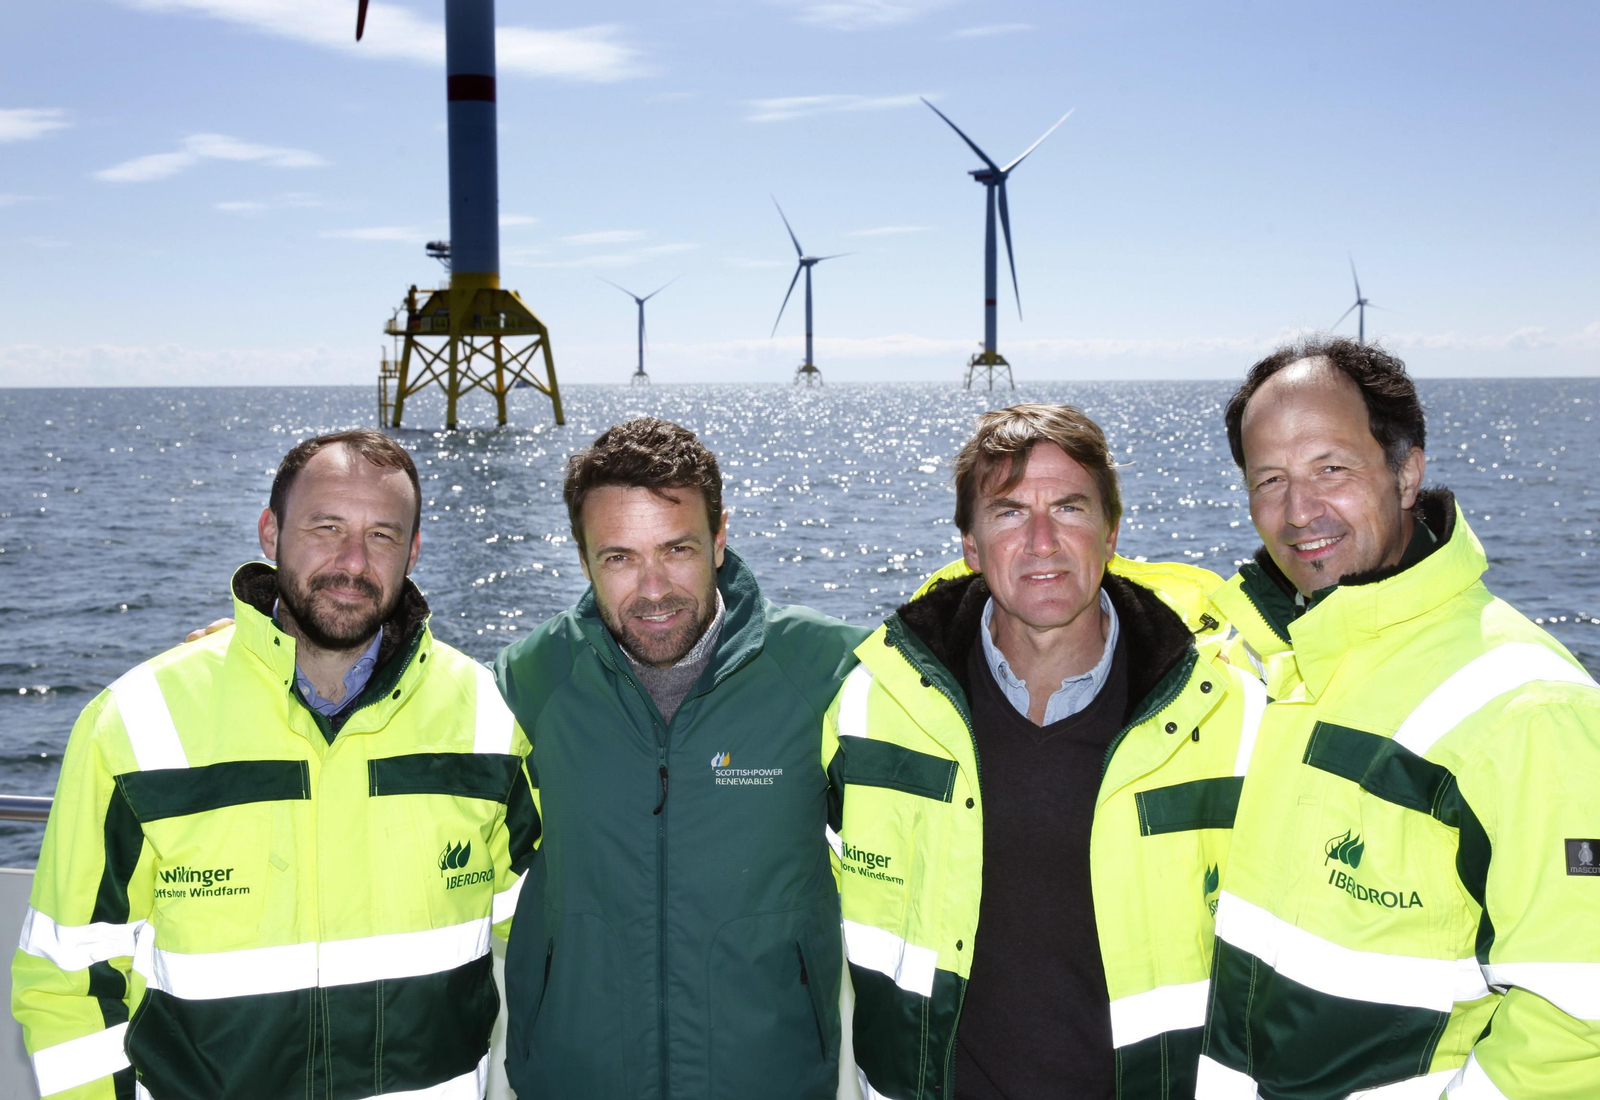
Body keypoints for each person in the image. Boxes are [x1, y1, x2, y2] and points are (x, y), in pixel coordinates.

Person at [12, 430, 534, 1100]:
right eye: (326, 527)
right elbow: (70, 978)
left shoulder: (490, 717)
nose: (353, 560)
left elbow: (550, 947)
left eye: (382, 534)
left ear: (413, 550)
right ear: (270, 533)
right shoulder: (135, 722)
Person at [826, 404, 1266, 1100]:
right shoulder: (872, 705)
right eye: (1007, 513)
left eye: (1068, 507)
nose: (1041, 541)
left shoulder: (1231, 713)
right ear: (969, 544)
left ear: (1111, 532)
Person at [1197, 338, 1600, 1098]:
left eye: (1332, 469)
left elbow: (1581, 1020)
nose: (1299, 511)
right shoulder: (1262, 661)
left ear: (1407, 470)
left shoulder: (1530, 710)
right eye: (1269, 480)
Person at [492, 416, 868, 1099]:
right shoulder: (530, 681)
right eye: (619, 558)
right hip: (575, 1081)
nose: (654, 588)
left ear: (720, 538)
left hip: (769, 1081)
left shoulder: (827, 672)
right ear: (583, 559)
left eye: (677, 549)